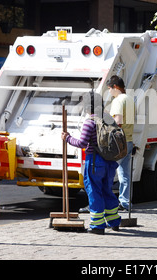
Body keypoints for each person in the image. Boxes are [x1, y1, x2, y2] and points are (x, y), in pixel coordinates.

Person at [61, 92, 121, 235]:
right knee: (107, 190)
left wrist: (68, 138)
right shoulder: (109, 119)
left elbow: (82, 143)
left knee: (94, 192)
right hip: (110, 161)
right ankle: (114, 221)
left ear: (88, 106)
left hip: (94, 162)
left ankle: (97, 226)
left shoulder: (90, 122)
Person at [106, 75, 134, 211]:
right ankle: (125, 202)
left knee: (108, 172)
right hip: (128, 141)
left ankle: (106, 202)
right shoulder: (130, 99)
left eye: (110, 89)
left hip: (118, 143)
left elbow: (118, 122)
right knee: (125, 174)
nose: (109, 92)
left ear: (116, 87)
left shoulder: (118, 101)